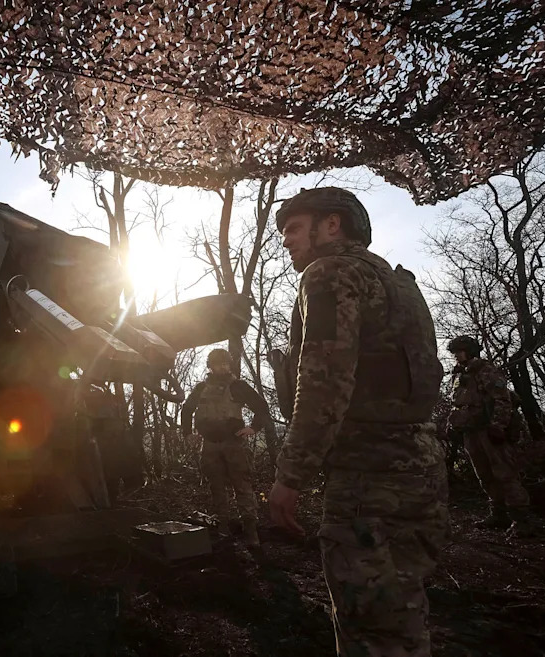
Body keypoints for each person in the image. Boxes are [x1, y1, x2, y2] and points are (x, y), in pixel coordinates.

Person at [267, 187, 448, 657]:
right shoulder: (397, 282)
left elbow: (325, 383)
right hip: (422, 469)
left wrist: (292, 475)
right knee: (403, 614)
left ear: (331, 225)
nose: (285, 241)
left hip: (368, 482)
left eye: (292, 228)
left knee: (368, 629)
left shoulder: (328, 273)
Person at [446, 335, 534, 536]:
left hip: (489, 429)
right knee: (485, 475)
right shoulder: (459, 375)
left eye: (459, 351)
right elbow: (458, 403)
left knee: (505, 474)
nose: (456, 356)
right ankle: (499, 515)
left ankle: (521, 520)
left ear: (470, 351)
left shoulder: (486, 370)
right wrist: (453, 426)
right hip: (471, 430)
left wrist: (498, 426)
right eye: (454, 352)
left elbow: (502, 399)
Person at [181, 348, 269, 547]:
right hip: (210, 444)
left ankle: (250, 530)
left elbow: (261, 406)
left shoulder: (238, 386)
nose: (222, 367)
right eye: (218, 364)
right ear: (210, 366)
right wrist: (188, 433)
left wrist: (253, 428)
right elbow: (186, 409)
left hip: (234, 443)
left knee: (242, 485)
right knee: (217, 487)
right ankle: (224, 527)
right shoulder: (200, 389)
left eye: (225, 364)